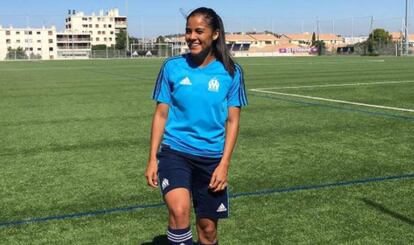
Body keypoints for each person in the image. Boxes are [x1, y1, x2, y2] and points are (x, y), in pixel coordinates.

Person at [145, 7, 247, 245]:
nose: (192, 36)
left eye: (199, 31)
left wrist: (224, 164)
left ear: (214, 34)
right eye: (188, 31)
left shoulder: (231, 72)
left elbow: (233, 121)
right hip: (175, 152)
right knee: (179, 212)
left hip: (211, 159)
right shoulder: (172, 67)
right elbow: (161, 114)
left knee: (208, 230)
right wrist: (152, 158)